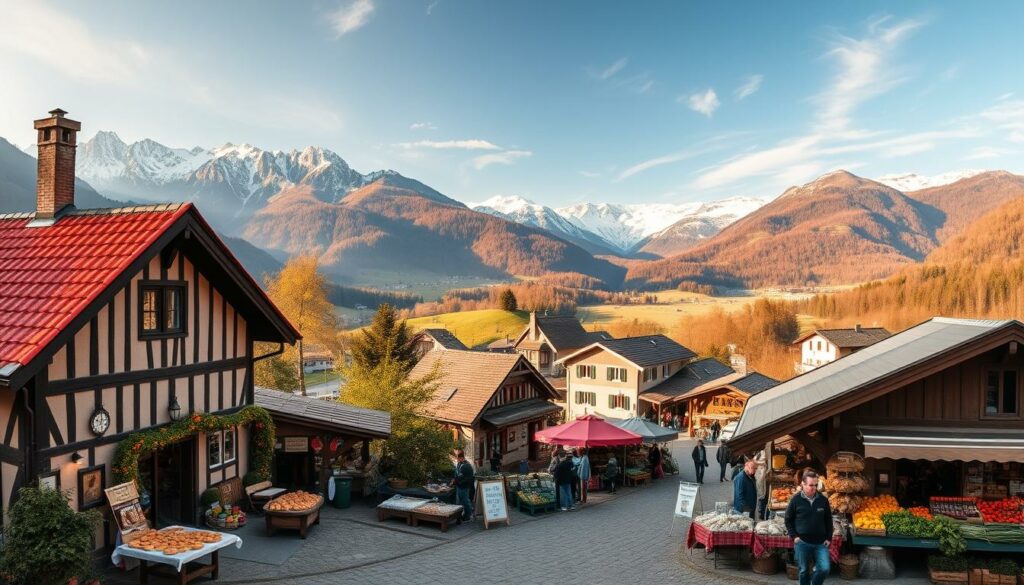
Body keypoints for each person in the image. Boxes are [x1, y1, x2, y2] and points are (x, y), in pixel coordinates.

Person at [785, 470, 833, 585]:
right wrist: (794, 536)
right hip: (802, 542)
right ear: (803, 484)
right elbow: (788, 519)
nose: (814, 488)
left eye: (815, 485)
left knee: (824, 568)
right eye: (811, 485)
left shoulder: (823, 500)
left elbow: (828, 520)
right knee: (803, 571)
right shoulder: (796, 500)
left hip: (820, 543)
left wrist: (828, 538)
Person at [450, 450, 476, 521]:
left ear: (462, 458)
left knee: (465, 501)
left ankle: (469, 514)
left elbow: (468, 478)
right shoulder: (459, 464)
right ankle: (461, 515)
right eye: (457, 459)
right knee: (460, 501)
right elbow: (457, 474)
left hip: (464, 486)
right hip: (459, 486)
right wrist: (454, 480)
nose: (457, 460)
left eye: (458, 459)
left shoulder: (467, 466)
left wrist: (457, 482)